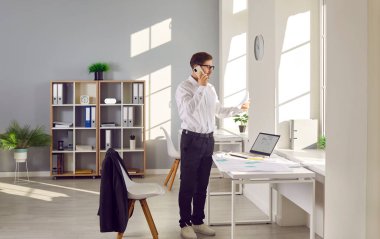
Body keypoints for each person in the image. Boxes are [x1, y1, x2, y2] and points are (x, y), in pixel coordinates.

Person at [175, 52, 249, 239]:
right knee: (188, 184)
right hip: (191, 139)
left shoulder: (211, 88)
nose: (210, 70)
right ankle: (185, 224)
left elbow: (218, 111)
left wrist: (238, 109)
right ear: (196, 67)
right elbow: (188, 113)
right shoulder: (184, 88)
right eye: (207, 66)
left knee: (203, 184)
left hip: (208, 139)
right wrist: (200, 88)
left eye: (211, 67)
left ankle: (198, 221)